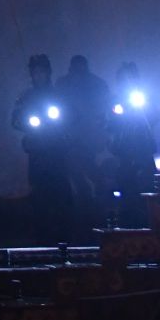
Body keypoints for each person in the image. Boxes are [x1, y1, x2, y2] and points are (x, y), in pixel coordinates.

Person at [16, 54, 72, 243]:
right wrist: (28, 122)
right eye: (35, 72)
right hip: (37, 149)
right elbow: (16, 120)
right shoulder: (26, 96)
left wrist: (59, 121)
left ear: (48, 73)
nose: (39, 75)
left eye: (42, 71)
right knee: (39, 189)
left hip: (56, 148)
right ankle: (41, 231)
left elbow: (70, 116)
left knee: (60, 188)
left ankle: (64, 230)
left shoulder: (59, 94)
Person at [57, 55, 112, 234]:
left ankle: (95, 217)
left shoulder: (96, 85)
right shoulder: (65, 85)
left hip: (90, 141)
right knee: (79, 180)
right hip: (74, 141)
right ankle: (85, 220)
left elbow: (102, 110)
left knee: (94, 179)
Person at [106, 63, 156, 227]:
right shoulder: (115, 102)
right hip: (125, 156)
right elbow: (109, 124)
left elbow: (156, 115)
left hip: (143, 153)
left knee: (147, 191)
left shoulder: (144, 99)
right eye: (123, 79)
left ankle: (150, 226)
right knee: (127, 193)